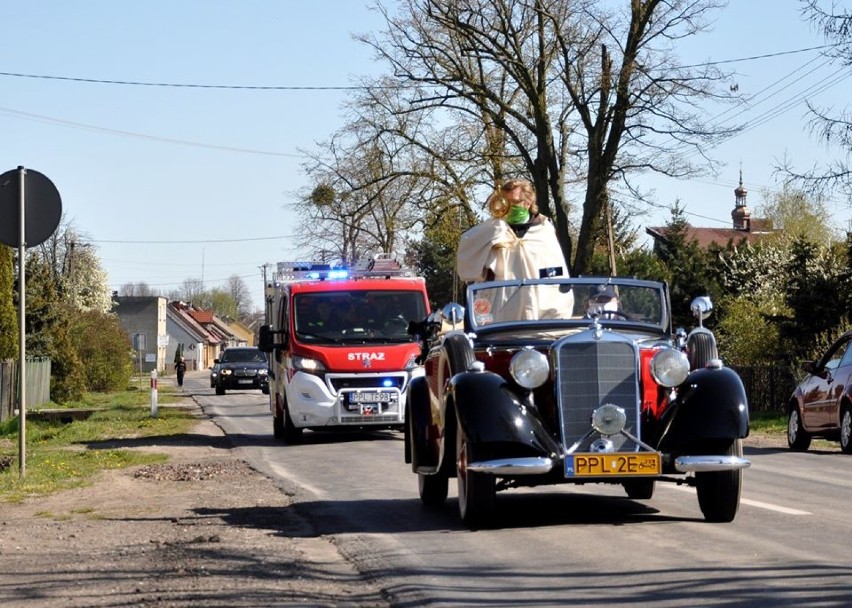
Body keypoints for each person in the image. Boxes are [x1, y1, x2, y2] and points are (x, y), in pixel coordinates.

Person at [456, 179, 572, 320]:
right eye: (505, 201)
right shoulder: (492, 231)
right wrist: (493, 235)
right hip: (501, 310)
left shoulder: (544, 231)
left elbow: (556, 272)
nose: (509, 206)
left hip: (537, 308)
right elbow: (467, 255)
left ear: (528, 202)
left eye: (515, 202)